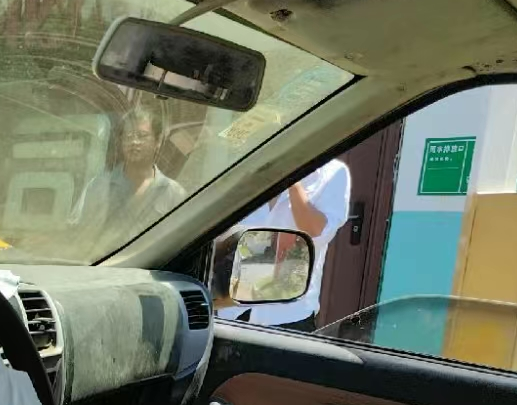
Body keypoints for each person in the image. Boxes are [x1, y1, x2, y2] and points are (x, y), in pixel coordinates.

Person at [215, 159, 352, 332]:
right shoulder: (254, 164)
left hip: (286, 316)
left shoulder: (333, 173)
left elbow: (314, 230)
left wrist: (292, 180)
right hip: (231, 309)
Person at [69, 106, 187, 253]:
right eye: (129, 136)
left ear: (158, 141)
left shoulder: (173, 193)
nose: (134, 142)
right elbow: (79, 236)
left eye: (142, 136)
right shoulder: (100, 185)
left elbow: (179, 244)